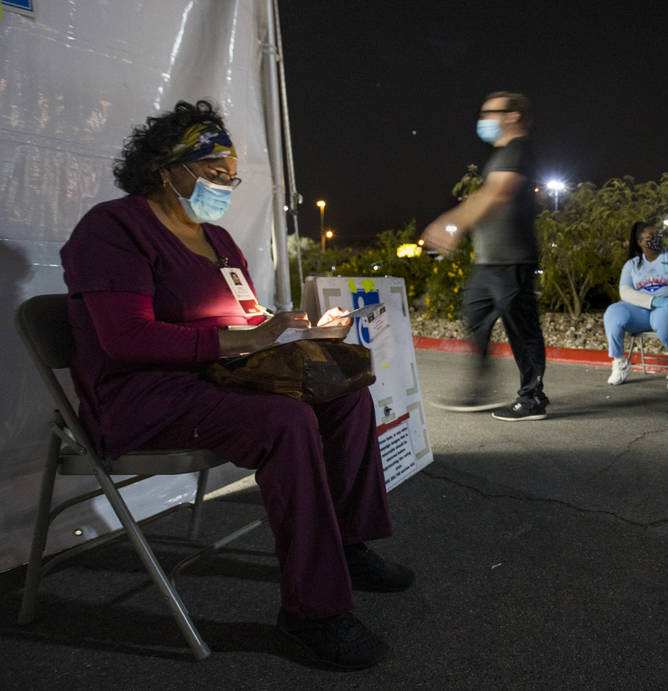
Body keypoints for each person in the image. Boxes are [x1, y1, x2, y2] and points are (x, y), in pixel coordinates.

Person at [59, 101, 410, 670]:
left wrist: (289, 328)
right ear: (167, 168)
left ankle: (347, 546)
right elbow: (125, 339)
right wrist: (244, 344)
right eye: (212, 172)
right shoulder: (114, 227)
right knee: (287, 420)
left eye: (231, 175)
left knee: (343, 391)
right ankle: (312, 612)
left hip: (219, 380)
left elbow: (242, 319)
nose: (225, 183)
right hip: (143, 396)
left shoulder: (218, 240)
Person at [423, 91, 549, 421]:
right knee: (475, 316)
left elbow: (496, 193)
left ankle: (532, 397)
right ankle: (481, 389)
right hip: (488, 260)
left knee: (522, 329)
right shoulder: (503, 154)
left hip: (513, 258)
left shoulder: (519, 150)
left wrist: (451, 222)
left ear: (512, 116)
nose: (483, 120)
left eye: (490, 113)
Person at [604, 222, 668, 390]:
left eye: (658, 235)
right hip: (645, 310)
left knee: (666, 318)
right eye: (651, 237)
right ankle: (620, 363)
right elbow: (625, 292)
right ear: (640, 242)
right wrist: (652, 301)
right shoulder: (632, 265)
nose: (656, 239)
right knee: (613, 312)